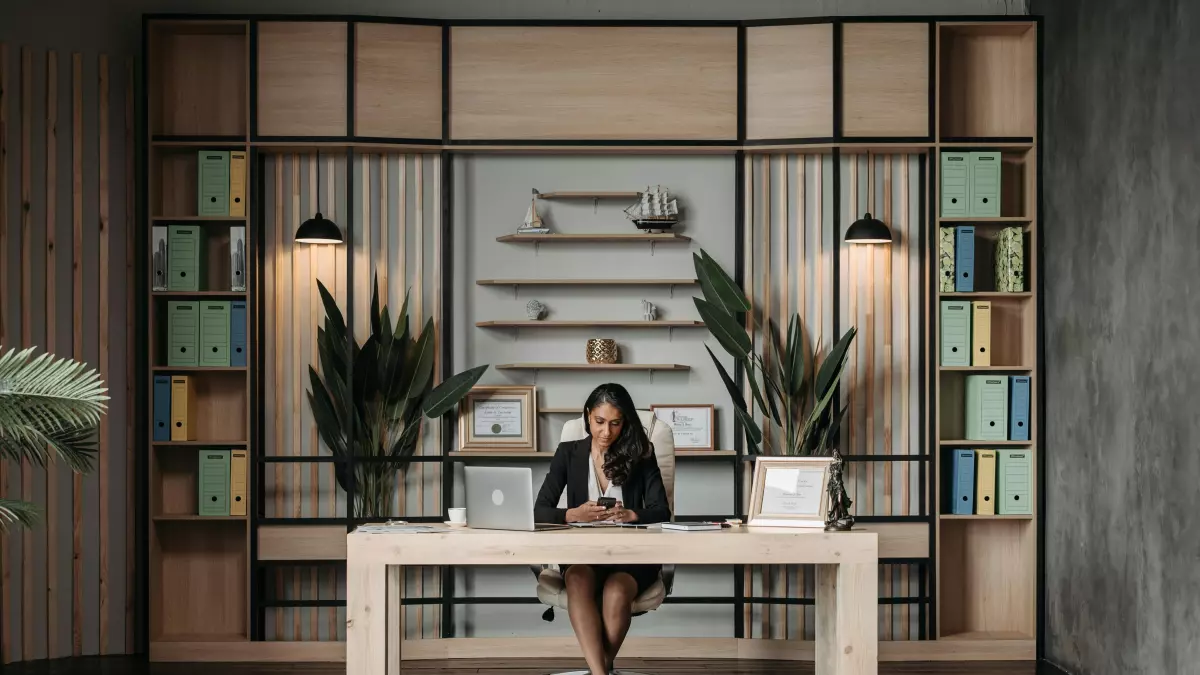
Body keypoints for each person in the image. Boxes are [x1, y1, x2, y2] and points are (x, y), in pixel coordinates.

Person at [534, 382, 671, 675]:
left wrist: (632, 514)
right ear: (587, 416)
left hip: (632, 556)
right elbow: (540, 509)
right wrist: (573, 513)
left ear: (625, 422)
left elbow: (662, 510)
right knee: (578, 580)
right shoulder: (568, 453)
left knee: (617, 591)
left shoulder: (642, 453)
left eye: (615, 423)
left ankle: (599, 672)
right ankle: (602, 673)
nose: (606, 432)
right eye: (599, 422)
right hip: (583, 553)